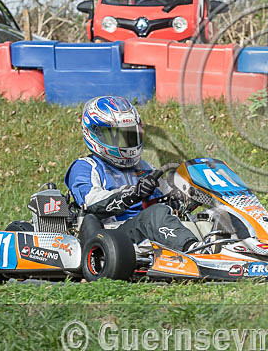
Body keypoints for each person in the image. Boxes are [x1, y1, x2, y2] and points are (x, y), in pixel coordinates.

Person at [64, 96, 198, 252]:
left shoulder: (144, 166)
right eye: (117, 136)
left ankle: (226, 246)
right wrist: (133, 193)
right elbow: (91, 202)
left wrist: (190, 193)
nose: (126, 142)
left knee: (211, 216)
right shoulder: (85, 167)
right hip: (112, 236)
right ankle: (195, 251)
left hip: (149, 230)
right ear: (95, 133)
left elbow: (169, 196)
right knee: (154, 214)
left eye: (130, 135)